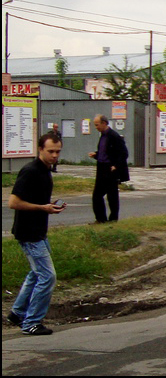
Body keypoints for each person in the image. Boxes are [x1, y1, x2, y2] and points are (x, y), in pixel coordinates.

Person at [7, 132, 67, 336]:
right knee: (47, 276)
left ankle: (18, 312)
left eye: (58, 151)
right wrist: (42, 208)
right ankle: (31, 322)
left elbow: (40, 201)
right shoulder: (30, 171)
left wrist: (50, 207)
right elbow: (13, 202)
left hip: (39, 231)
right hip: (29, 233)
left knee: (35, 274)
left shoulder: (45, 171)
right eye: (50, 151)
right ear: (40, 149)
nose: (54, 155)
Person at [87, 114, 129, 223]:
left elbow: (123, 153)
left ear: (104, 123)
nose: (96, 127)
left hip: (110, 169)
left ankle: (113, 219)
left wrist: (116, 166)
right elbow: (105, 152)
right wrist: (96, 154)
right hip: (101, 167)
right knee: (97, 195)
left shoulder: (114, 136)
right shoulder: (102, 136)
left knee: (112, 195)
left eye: (97, 125)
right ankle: (101, 219)